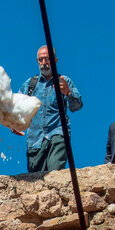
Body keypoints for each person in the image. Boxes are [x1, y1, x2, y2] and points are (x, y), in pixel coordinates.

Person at [16, 45, 83, 173]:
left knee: (55, 173)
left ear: (55, 61)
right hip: (35, 140)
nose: (44, 63)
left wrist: (68, 93)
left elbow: (77, 106)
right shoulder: (30, 84)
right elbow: (17, 107)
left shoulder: (64, 81)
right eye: (40, 60)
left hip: (58, 132)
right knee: (36, 179)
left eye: (47, 59)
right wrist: (14, 123)